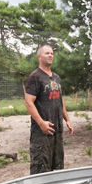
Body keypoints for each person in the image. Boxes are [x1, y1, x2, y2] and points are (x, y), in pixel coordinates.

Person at [24, 43, 74, 175]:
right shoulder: (35, 77)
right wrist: (41, 123)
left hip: (57, 130)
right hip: (41, 133)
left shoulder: (56, 78)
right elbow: (29, 102)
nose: (50, 55)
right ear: (39, 56)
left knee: (57, 169)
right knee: (40, 169)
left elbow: (60, 100)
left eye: (52, 53)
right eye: (47, 53)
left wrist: (67, 120)